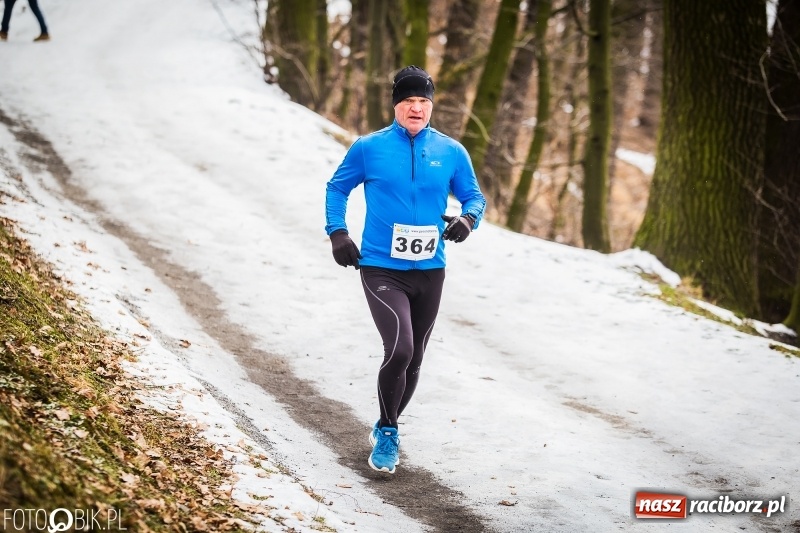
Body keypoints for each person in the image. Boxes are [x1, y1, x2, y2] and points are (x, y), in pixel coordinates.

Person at [324, 65, 486, 474]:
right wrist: (338, 233)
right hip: (381, 267)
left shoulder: (451, 151)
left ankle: (384, 425)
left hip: (431, 270)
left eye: (423, 101)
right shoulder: (368, 147)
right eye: (409, 100)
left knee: (414, 361)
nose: (416, 108)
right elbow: (337, 187)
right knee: (400, 349)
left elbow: (474, 197)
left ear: (431, 106)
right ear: (396, 105)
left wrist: (467, 220)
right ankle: (391, 434)